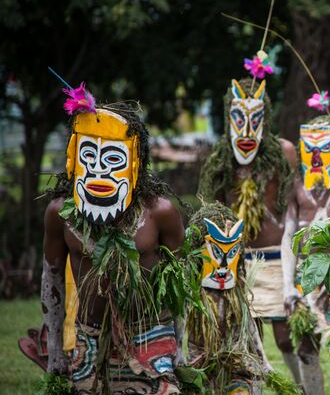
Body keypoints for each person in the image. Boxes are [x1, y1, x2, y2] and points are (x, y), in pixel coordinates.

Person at [41, 80, 185, 393]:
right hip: (88, 337)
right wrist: (55, 352)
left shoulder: (160, 212)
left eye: (113, 160)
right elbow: (51, 281)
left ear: (135, 162)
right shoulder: (60, 214)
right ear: (73, 158)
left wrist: (182, 351)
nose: (98, 173)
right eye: (89, 157)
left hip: (150, 332)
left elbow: (181, 285)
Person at [197, 77, 298, 381]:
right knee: (247, 336)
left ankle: (301, 388)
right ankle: (255, 385)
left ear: (264, 119)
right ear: (229, 117)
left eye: (255, 120)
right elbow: (212, 212)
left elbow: (295, 203)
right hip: (239, 260)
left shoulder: (284, 153)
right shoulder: (221, 160)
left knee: (285, 337)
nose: (246, 130)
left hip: (277, 257)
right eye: (239, 119)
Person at [280, 114, 330, 394]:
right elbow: (289, 236)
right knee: (305, 347)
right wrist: (288, 287)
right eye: (309, 149)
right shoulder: (297, 187)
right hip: (307, 278)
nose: (315, 157)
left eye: (323, 148)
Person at [184, 202, 294, 394]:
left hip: (236, 364)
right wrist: (178, 359)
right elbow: (179, 321)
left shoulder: (236, 291)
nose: (224, 264)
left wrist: (264, 363)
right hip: (200, 364)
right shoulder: (191, 293)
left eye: (232, 252)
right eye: (217, 252)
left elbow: (249, 325)